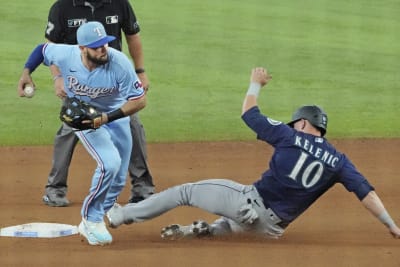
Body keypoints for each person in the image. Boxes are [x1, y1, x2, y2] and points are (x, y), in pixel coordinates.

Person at [106, 67, 400, 241]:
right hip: (271, 230)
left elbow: (249, 113)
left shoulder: (290, 135)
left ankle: (122, 216)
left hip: (248, 205)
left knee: (185, 191)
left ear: (302, 123)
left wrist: (255, 83)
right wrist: (392, 226)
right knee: (230, 226)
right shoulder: (339, 160)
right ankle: (200, 231)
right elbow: (367, 194)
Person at [17, 0, 154, 207]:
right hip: (80, 84)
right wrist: (57, 78)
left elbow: (132, 36)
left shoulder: (119, 4)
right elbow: (49, 48)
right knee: (68, 131)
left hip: (115, 85)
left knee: (132, 126)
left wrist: (140, 71)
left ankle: (142, 188)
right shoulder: (62, 7)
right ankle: (55, 189)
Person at [39, 21, 147, 245]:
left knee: (118, 180)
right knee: (110, 163)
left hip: (115, 117)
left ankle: (96, 217)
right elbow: (41, 50)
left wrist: (106, 118)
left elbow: (139, 101)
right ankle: (91, 219)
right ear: (82, 48)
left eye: (104, 44)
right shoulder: (67, 54)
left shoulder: (119, 62)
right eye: (96, 46)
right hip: (85, 119)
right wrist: (27, 73)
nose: (102, 49)